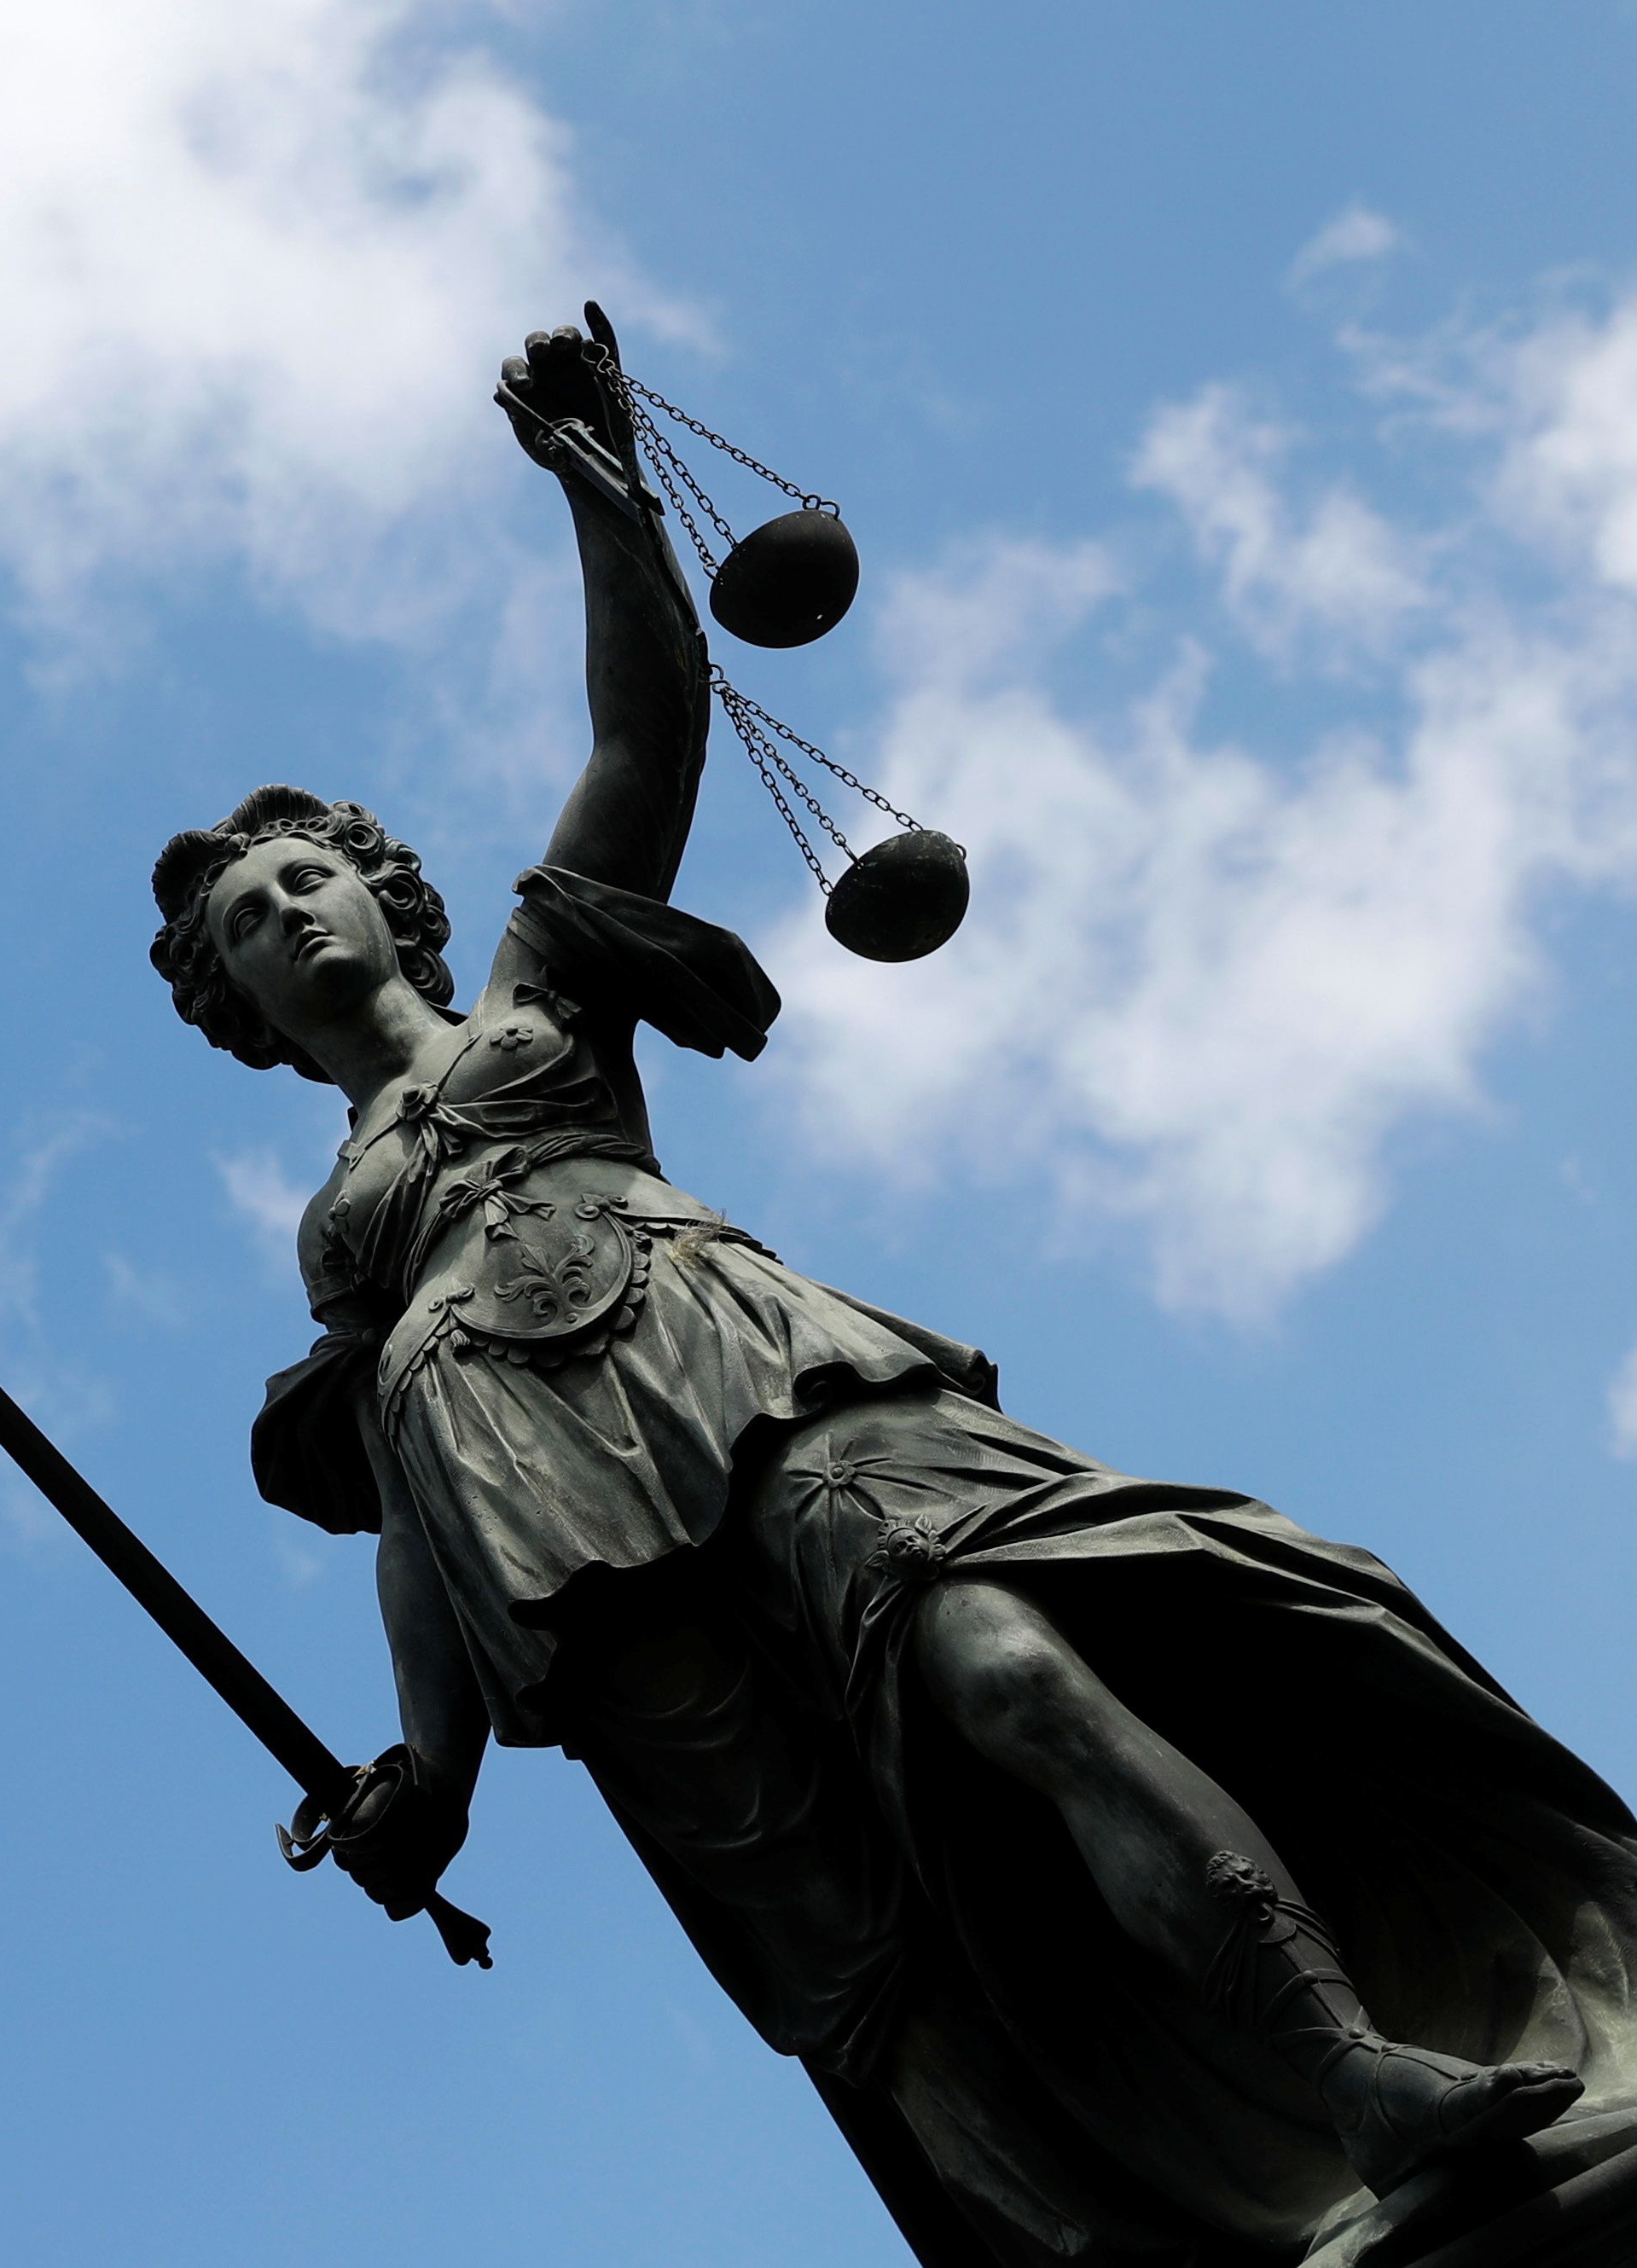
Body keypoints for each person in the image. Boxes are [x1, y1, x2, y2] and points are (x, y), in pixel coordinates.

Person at [154, 322, 1637, 2265]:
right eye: (244, 929)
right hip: (563, 1565)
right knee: (861, 1967)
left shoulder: (537, 988)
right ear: (243, 1014)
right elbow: (414, 1520)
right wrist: (429, 1773)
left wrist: (604, 491)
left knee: (1015, 1667)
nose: (282, 918)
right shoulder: (343, 1249)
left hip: (755, 1387)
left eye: (298, 877)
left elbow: (642, 736)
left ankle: (1355, 2059)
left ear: (382, 890)